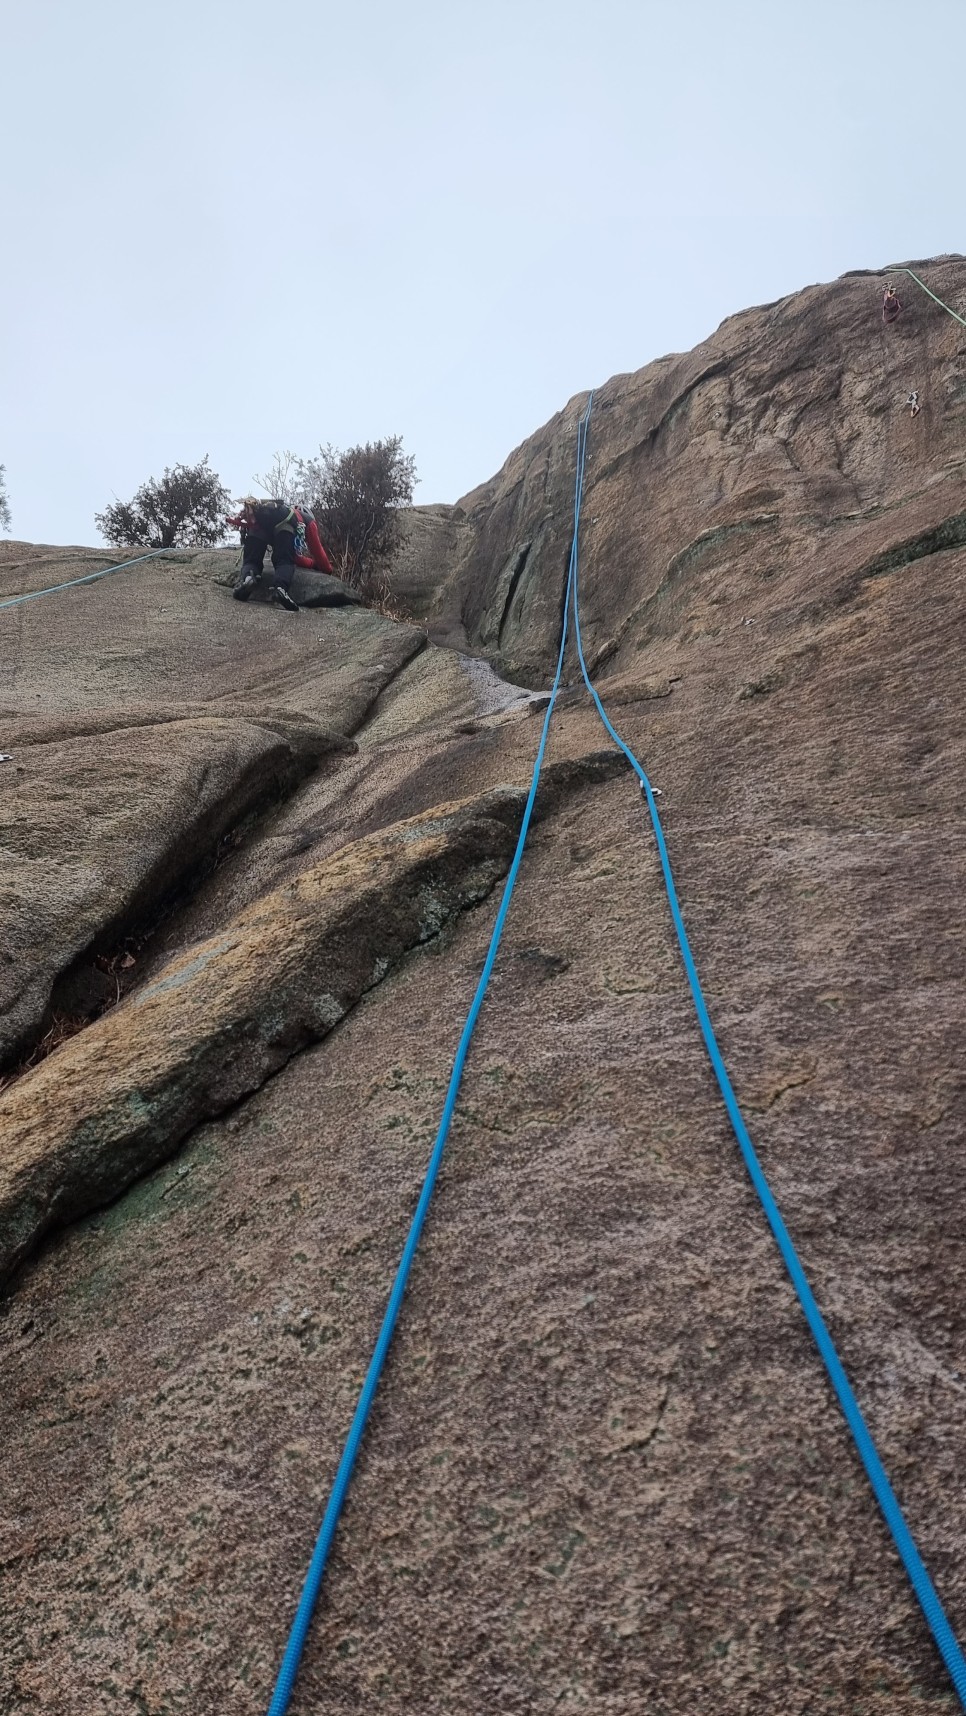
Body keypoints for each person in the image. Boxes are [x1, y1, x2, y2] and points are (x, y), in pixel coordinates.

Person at [227, 497, 302, 609]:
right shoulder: (297, 516)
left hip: (258, 524)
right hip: (285, 524)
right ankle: (280, 589)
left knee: (252, 560)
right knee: (284, 560)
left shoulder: (263, 511)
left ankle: (248, 578)